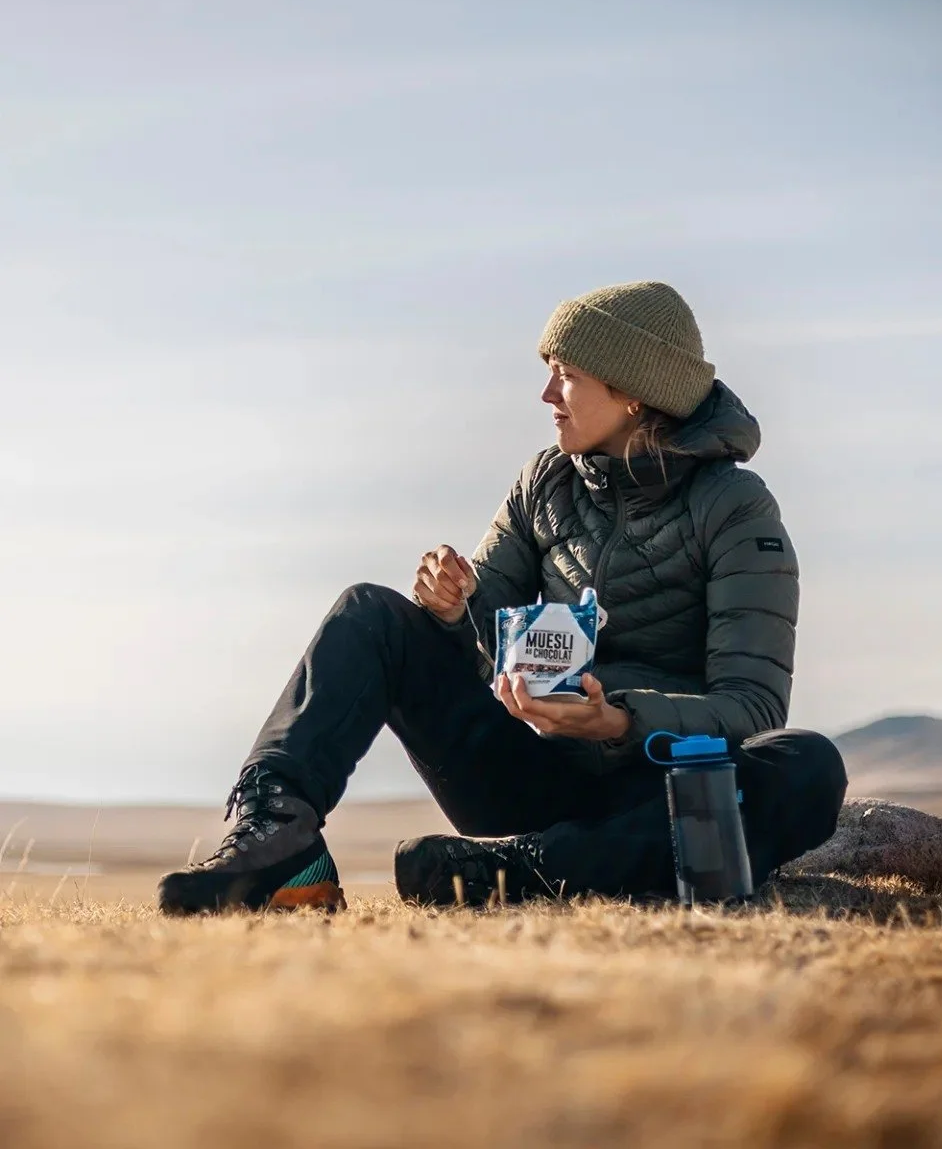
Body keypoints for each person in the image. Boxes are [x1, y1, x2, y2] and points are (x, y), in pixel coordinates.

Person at [157, 281, 847, 914]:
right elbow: (492, 639)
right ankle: (280, 840)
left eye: (567, 376)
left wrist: (619, 722)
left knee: (808, 767)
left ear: (635, 391)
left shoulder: (735, 508)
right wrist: (455, 609)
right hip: (527, 772)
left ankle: (524, 872)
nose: (547, 394)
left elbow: (751, 707)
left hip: (654, 792)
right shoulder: (546, 481)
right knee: (370, 612)